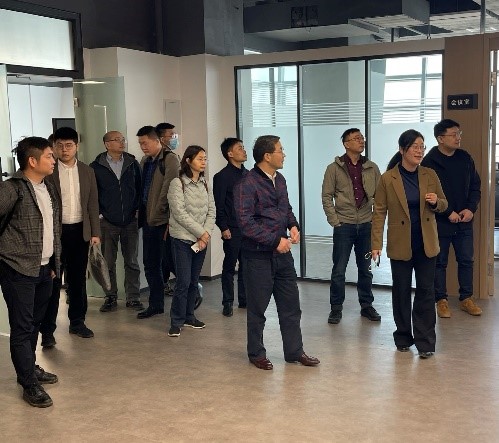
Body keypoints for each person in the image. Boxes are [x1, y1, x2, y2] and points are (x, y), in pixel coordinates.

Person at [234, 135, 320, 370]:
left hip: (282, 256)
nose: (284, 154)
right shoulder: (246, 183)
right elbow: (245, 223)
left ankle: (294, 352)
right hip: (258, 257)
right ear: (267, 156)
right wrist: (275, 241)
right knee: (258, 310)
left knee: (291, 307)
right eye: (280, 150)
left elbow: (286, 209)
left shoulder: (279, 179)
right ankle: (256, 353)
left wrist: (293, 225)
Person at [371, 130, 448, 359]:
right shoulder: (388, 178)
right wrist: (376, 244)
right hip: (401, 244)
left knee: (426, 292)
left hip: (426, 244)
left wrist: (436, 202)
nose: (419, 151)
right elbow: (379, 213)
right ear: (402, 150)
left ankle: (425, 342)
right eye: (415, 146)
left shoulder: (429, 175)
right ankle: (403, 336)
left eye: (422, 146)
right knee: (401, 291)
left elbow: (444, 204)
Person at [0, 136, 61, 407]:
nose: (53, 160)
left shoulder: (48, 187)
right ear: (32, 161)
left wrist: (53, 265)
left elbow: (52, 229)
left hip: (44, 268)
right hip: (17, 269)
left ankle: (29, 367)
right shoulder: (11, 189)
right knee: (22, 327)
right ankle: (28, 383)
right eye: (49, 155)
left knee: (35, 323)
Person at [421, 119, 482, 318]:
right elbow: (428, 195)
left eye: (459, 133)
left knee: (466, 260)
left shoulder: (465, 158)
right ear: (440, 138)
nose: (458, 138)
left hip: (464, 221)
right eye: (453, 134)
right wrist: (447, 212)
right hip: (440, 222)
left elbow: (475, 186)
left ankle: (466, 298)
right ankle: (441, 300)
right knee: (440, 263)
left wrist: (470, 209)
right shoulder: (429, 162)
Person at [45, 127, 100, 339]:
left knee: (77, 280)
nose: (64, 149)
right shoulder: (48, 171)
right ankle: (47, 330)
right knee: (53, 281)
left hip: (80, 232)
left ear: (77, 146)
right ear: (54, 147)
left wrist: (95, 232)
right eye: (59, 145)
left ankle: (77, 322)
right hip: (55, 233)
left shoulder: (87, 171)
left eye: (69, 145)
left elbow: (92, 204)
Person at [321, 128, 381, 324]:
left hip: (366, 224)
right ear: (346, 144)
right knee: (339, 269)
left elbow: (380, 196)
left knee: (365, 269)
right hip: (344, 225)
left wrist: (375, 220)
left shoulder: (371, 167)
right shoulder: (334, 168)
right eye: (356, 138)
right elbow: (326, 196)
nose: (361, 141)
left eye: (362, 138)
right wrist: (335, 221)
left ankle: (366, 305)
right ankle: (336, 308)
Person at [90, 131, 143, 312]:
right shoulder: (96, 167)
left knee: (132, 261)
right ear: (107, 144)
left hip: (130, 221)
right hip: (107, 222)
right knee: (108, 262)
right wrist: (100, 215)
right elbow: (93, 194)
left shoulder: (132, 163)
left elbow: (140, 188)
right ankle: (110, 296)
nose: (122, 142)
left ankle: (133, 297)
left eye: (123, 139)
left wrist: (136, 211)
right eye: (117, 140)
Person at [167, 145, 215, 337]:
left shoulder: (205, 184)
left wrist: (206, 234)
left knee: (194, 281)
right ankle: (176, 321)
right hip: (182, 239)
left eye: (205, 158)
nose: (203, 162)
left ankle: (189, 316)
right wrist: (201, 233)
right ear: (188, 161)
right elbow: (179, 213)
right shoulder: (177, 183)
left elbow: (212, 211)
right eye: (199, 158)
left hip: (201, 240)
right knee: (183, 282)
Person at [136, 125, 176, 319]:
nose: (142, 147)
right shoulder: (145, 161)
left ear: (157, 140)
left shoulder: (170, 159)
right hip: (148, 219)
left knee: (171, 262)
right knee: (151, 263)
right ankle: (156, 304)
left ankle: (192, 294)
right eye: (140, 143)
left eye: (145, 143)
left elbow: (170, 188)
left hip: (164, 220)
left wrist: (160, 211)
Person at [213, 137, 248, 317]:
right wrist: (223, 227)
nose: (244, 150)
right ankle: (227, 302)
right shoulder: (222, 176)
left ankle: (244, 299)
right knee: (229, 266)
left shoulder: (249, 174)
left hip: (248, 228)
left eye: (243, 147)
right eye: (239, 148)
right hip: (232, 229)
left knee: (246, 265)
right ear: (230, 154)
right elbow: (218, 205)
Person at [155, 122, 180, 297]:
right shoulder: (165, 159)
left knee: (166, 253)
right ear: (161, 138)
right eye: (171, 135)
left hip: (168, 215)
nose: (174, 138)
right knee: (165, 254)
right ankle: (165, 284)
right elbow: (169, 187)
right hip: (164, 215)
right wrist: (160, 209)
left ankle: (165, 283)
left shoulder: (170, 157)